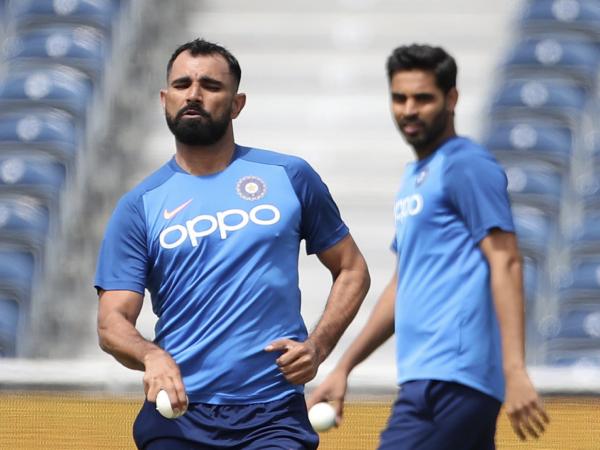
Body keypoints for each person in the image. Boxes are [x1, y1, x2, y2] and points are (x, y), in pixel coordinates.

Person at [94, 38, 370, 450]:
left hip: (273, 416)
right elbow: (111, 322)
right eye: (182, 83)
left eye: (210, 85)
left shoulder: (290, 176)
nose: (194, 94)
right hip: (178, 416)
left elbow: (352, 269)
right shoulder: (139, 206)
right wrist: (152, 356)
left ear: (237, 104)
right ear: (164, 98)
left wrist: (319, 345)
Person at [307, 44, 550, 449]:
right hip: (428, 378)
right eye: (399, 98)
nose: (409, 109)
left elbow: (505, 260)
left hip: (452, 377)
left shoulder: (466, 164)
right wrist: (343, 367)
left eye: (423, 98)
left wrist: (515, 369)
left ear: (451, 98)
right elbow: (405, 284)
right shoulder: (416, 175)